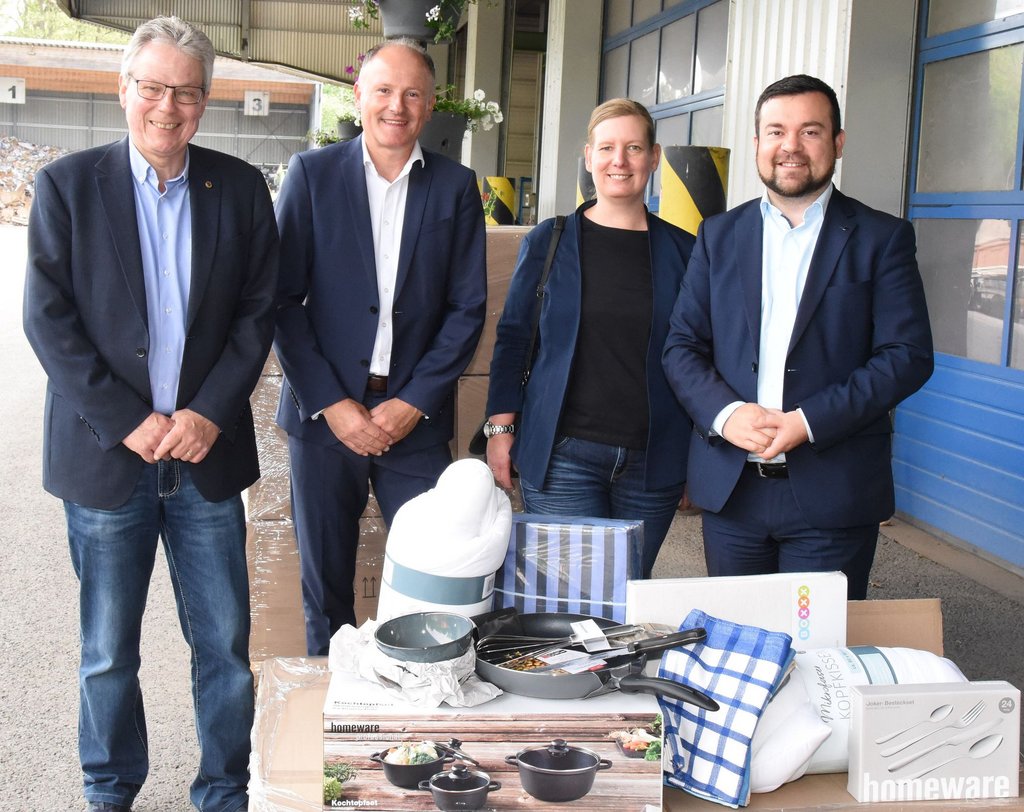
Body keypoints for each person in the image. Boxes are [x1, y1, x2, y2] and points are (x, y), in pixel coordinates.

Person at [22, 16, 278, 812]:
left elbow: (256, 315)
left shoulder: (240, 188)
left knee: (224, 647)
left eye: (187, 92)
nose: (168, 107)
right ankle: (109, 789)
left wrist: (208, 413)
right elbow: (48, 320)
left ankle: (225, 789)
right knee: (107, 650)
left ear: (206, 101)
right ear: (124, 89)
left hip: (205, 458)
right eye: (153, 88)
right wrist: (127, 420)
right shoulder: (68, 186)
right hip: (109, 457)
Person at [662, 74, 933, 599]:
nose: (791, 146)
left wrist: (808, 422)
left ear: (838, 142)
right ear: (757, 143)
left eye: (810, 131)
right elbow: (682, 346)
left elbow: (906, 356)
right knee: (738, 638)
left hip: (834, 491)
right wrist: (727, 414)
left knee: (819, 644)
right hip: (733, 491)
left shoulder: (882, 238)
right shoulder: (719, 235)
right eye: (776, 131)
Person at [273, 38, 487, 656]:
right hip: (325, 422)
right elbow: (280, 301)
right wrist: (331, 403)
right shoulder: (312, 175)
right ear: (359, 95)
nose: (397, 105)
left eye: (413, 93)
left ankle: (423, 700)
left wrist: (414, 402)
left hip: (413, 423)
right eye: (385, 90)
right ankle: (335, 708)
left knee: (434, 583)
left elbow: (466, 309)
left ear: (431, 104)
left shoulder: (454, 186)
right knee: (325, 590)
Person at [485, 98, 695, 578]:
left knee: (627, 594)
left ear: (654, 157)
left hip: (654, 461)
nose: (619, 160)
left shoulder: (686, 252)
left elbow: (701, 355)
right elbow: (514, 339)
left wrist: (700, 459)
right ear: (588, 156)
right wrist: (500, 431)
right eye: (606, 148)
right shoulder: (550, 241)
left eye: (634, 148)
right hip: (564, 457)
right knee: (573, 599)